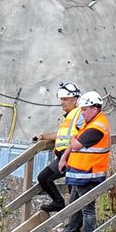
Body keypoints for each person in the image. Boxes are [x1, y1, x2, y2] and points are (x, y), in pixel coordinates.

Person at [58, 91, 110, 232]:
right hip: (79, 173)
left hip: (88, 174)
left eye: (85, 109)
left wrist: (73, 137)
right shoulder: (90, 123)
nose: (82, 112)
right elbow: (74, 144)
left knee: (87, 209)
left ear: (95, 108)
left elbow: (75, 143)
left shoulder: (96, 127)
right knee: (74, 204)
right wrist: (64, 157)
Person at [35, 82, 83, 212]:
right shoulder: (68, 117)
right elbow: (61, 135)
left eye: (65, 99)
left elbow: (81, 136)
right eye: (61, 99)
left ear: (75, 99)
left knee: (74, 192)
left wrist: (67, 154)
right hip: (62, 156)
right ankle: (58, 202)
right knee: (43, 178)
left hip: (72, 157)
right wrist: (44, 136)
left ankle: (75, 226)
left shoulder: (79, 114)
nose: (62, 102)